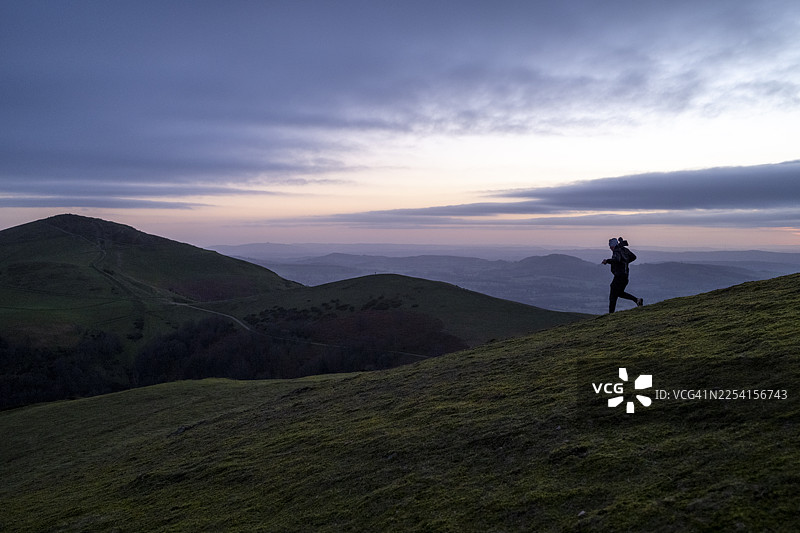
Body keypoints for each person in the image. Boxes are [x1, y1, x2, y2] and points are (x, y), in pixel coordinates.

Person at [601, 237, 643, 313]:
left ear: (613, 245)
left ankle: (611, 314)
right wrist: (625, 262)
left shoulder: (616, 251)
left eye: (610, 246)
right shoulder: (624, 250)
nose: (610, 248)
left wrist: (607, 261)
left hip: (619, 276)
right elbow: (633, 257)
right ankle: (637, 300)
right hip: (625, 276)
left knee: (613, 295)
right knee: (620, 293)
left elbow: (617, 260)